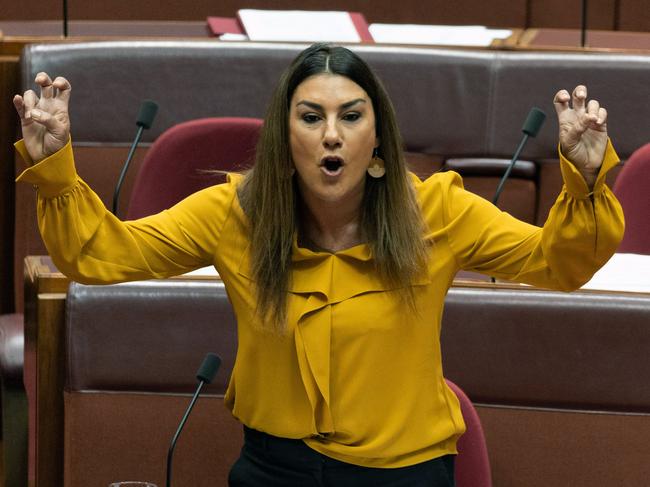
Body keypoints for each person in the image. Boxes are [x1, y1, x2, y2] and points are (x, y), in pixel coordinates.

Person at [13, 43, 624, 486]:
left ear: (377, 140)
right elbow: (103, 254)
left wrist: (587, 182)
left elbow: (556, 264)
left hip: (404, 475)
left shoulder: (438, 210)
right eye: (311, 117)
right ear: (286, 139)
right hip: (274, 469)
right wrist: (56, 172)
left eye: (351, 116)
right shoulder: (235, 213)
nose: (332, 134)